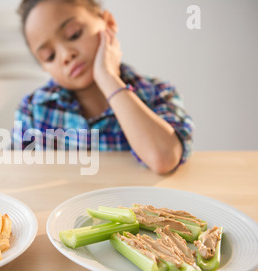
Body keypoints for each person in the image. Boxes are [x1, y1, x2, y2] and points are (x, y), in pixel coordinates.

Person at [12, 0, 194, 174]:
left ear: (108, 23)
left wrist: (107, 77)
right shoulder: (33, 110)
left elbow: (163, 158)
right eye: (50, 56)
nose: (66, 55)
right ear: (44, 67)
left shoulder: (158, 93)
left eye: (74, 34)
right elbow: (15, 175)